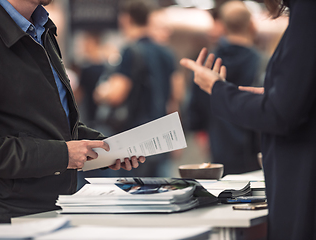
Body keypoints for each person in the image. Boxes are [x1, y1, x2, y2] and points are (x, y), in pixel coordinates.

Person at [0, 0, 145, 223]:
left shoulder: (42, 31)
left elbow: (48, 124)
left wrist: (104, 147)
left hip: (53, 208)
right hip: (5, 219)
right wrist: (62, 155)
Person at [180, 0, 316, 239]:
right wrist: (274, 96)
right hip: (256, 157)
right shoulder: (259, 59)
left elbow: (281, 113)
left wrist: (217, 89)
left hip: (291, 175)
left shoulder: (307, 11)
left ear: (220, 26)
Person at [93, 0, 176, 177]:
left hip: (136, 140)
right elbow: (176, 96)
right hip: (162, 137)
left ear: (126, 18)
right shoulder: (166, 53)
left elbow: (117, 95)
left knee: (133, 197)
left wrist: (101, 92)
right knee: (160, 195)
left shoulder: (131, 51)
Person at [188, 1, 265, 175]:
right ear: (251, 24)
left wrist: (203, 135)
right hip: (254, 152)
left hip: (218, 148)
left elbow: (195, 110)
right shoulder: (263, 62)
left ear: (222, 26)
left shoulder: (207, 63)